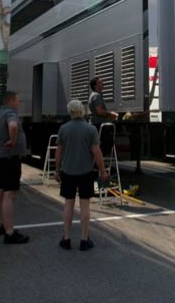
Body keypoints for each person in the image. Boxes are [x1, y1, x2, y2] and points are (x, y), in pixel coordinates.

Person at [55, 99, 108, 251]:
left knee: (68, 204)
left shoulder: (63, 129)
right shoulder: (91, 129)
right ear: (82, 111)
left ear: (70, 112)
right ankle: (84, 239)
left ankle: (66, 238)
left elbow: (59, 151)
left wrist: (57, 170)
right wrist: (102, 171)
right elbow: (97, 152)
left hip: (68, 171)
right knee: (85, 205)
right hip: (85, 172)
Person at [0, 91, 29, 244]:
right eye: (17, 100)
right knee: (9, 194)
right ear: (11, 101)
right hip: (10, 159)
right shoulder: (10, 114)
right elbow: (13, 126)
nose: (18, 103)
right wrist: (13, 141)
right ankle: (10, 232)